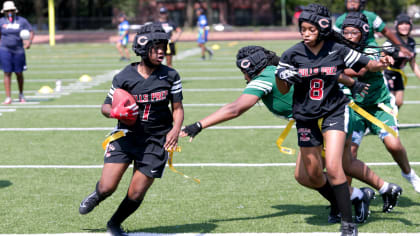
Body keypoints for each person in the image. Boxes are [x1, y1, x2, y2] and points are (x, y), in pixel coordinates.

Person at [181, 44, 398, 228]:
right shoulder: (278, 70)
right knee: (328, 168)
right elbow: (320, 70)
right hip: (324, 117)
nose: (244, 77)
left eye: (244, 71)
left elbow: (235, 108)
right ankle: (378, 191)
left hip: (329, 117)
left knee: (321, 171)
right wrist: (352, 83)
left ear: (252, 68)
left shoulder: (265, 77)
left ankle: (356, 198)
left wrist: (200, 124)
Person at [275, 4, 395, 235]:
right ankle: (354, 199)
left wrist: (381, 63)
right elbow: (282, 89)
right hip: (306, 117)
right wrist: (283, 76)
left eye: (310, 29)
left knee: (333, 166)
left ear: (322, 28)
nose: (306, 34)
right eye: (303, 29)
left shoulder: (337, 49)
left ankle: (348, 223)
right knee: (311, 174)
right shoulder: (292, 54)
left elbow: (367, 63)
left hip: (334, 112)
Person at [78, 23, 184, 236]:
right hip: (126, 137)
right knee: (108, 187)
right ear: (143, 49)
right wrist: (115, 112)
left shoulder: (171, 76)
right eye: (157, 47)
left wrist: (175, 130)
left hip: (156, 141)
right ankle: (98, 194)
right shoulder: (124, 76)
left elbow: (178, 108)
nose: (162, 51)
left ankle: (114, 223)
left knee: (136, 193)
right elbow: (105, 106)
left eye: (164, 47)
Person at [341, 12, 420, 195]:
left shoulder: (369, 48)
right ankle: (347, 197)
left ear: (363, 31)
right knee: (349, 155)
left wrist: (382, 62)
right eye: (346, 32)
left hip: (379, 105)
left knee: (393, 145)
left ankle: (409, 174)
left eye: (354, 32)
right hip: (355, 108)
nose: (350, 36)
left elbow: (369, 66)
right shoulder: (340, 48)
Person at [334, 0, 413, 59]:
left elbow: (386, 31)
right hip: (348, 49)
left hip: (368, 48)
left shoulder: (371, 16)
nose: (352, 3)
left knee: (364, 66)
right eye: (350, 0)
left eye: (355, 1)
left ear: (361, 2)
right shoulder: (339, 20)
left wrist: (401, 47)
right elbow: (333, 39)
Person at [382, 13, 420, 108]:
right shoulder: (391, 41)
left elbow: (413, 63)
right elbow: (380, 58)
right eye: (401, 24)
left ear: (410, 26)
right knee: (389, 102)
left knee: (399, 102)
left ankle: (393, 121)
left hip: (399, 74)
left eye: (407, 24)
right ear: (397, 26)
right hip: (387, 73)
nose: (404, 26)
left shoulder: (411, 42)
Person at [0, 1, 34, 104]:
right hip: (5, 49)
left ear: (15, 11)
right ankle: (8, 97)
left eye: (11, 10)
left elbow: (31, 31)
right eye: (7, 10)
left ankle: (21, 94)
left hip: (18, 50)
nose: (9, 12)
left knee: (19, 73)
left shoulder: (22, 21)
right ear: (4, 12)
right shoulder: (1, 21)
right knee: (7, 73)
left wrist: (29, 42)